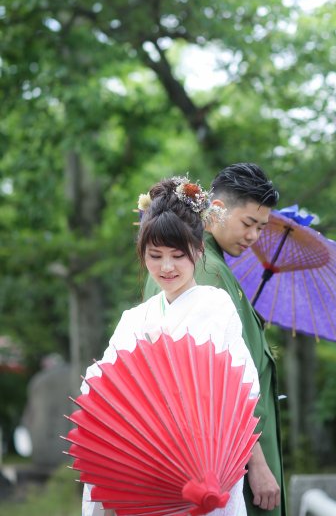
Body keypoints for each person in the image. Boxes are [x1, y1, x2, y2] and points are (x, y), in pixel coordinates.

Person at [81, 176, 260, 516]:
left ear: (198, 249)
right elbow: (101, 386)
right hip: (142, 463)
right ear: (142, 254)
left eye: (178, 255)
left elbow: (244, 390)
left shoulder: (216, 305)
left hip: (203, 462)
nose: (166, 267)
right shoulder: (134, 319)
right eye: (155, 255)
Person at [144, 163, 285, 516]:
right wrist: (259, 466)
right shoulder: (204, 272)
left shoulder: (211, 269)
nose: (253, 236)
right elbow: (214, 386)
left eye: (261, 227)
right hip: (232, 463)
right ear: (217, 210)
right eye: (248, 223)